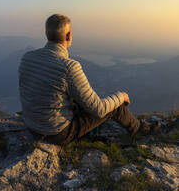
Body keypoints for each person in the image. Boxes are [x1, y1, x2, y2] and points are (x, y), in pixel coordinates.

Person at [18, 14, 159, 145]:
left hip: (32, 126)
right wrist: (121, 97)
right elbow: (99, 109)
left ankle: (91, 134)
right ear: (68, 35)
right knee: (115, 107)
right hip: (56, 133)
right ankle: (140, 130)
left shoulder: (27, 58)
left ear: (47, 34)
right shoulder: (69, 67)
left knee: (81, 101)